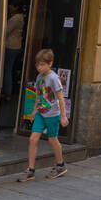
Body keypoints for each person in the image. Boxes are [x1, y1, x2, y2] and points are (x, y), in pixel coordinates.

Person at [17, 48, 68, 181]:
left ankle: (60, 165)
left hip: (52, 114)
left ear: (49, 64)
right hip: (41, 113)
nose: (39, 67)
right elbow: (38, 96)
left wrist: (63, 116)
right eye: (37, 64)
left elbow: (60, 98)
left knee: (52, 139)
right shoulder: (39, 77)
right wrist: (34, 111)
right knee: (33, 139)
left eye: (42, 65)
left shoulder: (54, 78)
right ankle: (31, 169)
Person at [2, 0, 25, 100]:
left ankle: (7, 92)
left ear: (15, 7)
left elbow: (5, 32)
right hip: (16, 46)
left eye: (11, 5)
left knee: (6, 70)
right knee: (9, 69)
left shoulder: (15, 18)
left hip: (10, 46)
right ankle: (7, 91)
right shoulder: (20, 18)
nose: (9, 7)